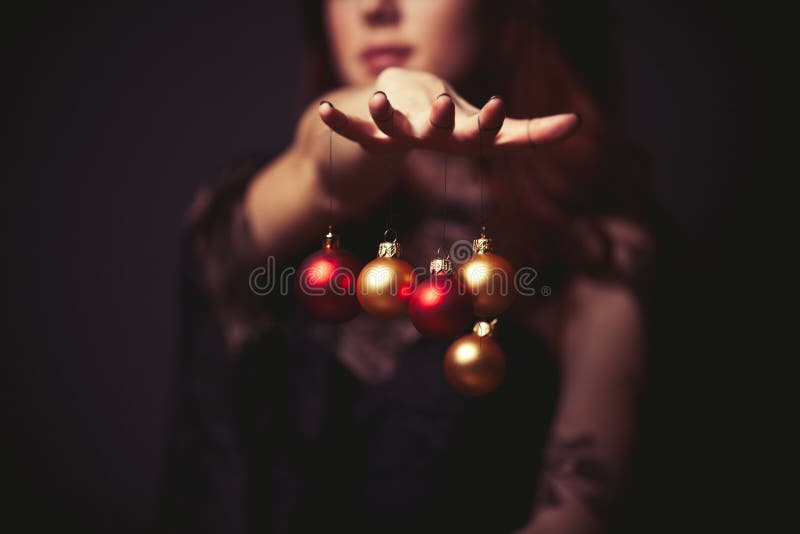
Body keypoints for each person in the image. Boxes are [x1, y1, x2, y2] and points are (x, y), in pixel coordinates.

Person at [159, 1, 669, 532]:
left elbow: (573, 513)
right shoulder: (255, 207)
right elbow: (324, 165)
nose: (377, 8)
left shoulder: (595, 250)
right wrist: (396, 94)